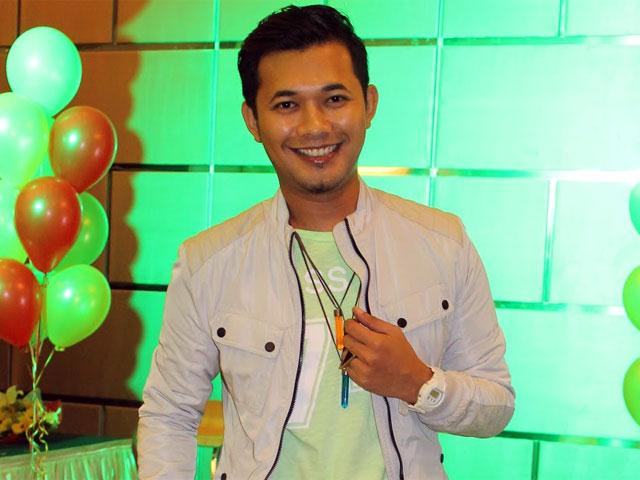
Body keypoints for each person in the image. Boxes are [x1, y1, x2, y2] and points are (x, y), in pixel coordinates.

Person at [137, 5, 514, 479]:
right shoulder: (208, 262)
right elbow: (169, 413)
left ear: (369, 104)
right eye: (286, 105)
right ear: (252, 120)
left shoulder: (442, 242)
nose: (315, 126)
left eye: (335, 99)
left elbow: (496, 405)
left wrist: (417, 382)